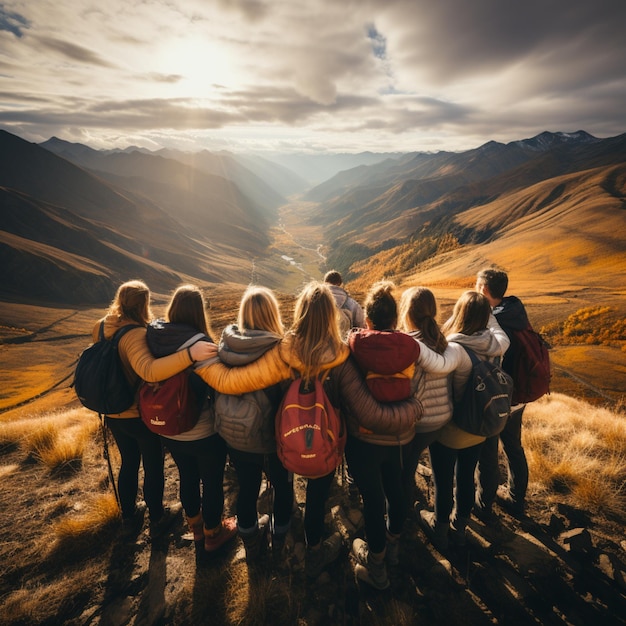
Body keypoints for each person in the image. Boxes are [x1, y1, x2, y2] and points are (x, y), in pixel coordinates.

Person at [194, 281, 421, 582]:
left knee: (277, 488)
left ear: (299, 312)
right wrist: (413, 409)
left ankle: (274, 545)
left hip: (288, 442)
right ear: (331, 316)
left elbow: (241, 381)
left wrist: (204, 365)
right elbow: (366, 410)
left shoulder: (283, 352)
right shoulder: (342, 358)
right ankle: (314, 549)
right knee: (316, 499)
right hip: (326, 443)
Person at [93, 280, 214, 538]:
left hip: (112, 412)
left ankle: (129, 515)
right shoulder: (135, 333)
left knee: (128, 462)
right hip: (136, 412)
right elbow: (149, 370)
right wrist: (190, 355)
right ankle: (157, 517)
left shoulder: (103, 326)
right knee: (152, 465)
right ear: (143, 303)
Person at [145, 284, 237, 556]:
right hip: (203, 430)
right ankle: (213, 533)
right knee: (211, 481)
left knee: (186, 476)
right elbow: (219, 385)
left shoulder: (155, 338)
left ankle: (194, 526)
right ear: (198, 312)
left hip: (169, 428)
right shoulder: (201, 344)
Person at [418, 291, 510, 550]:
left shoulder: (456, 350)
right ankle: (460, 525)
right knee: (467, 476)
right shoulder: (497, 344)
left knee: (443, 480)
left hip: (451, 429)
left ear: (460, 314)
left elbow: (431, 363)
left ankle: (440, 525)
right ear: (485, 317)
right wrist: (488, 314)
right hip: (479, 428)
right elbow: (498, 331)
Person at [345, 281, 421, 589]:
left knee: (372, 500)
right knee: (397, 488)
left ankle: (376, 567)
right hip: (399, 434)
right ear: (394, 320)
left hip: (364, 438)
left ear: (368, 320)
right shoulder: (411, 346)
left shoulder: (355, 343)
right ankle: (393, 543)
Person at [214, 286, 294, 562]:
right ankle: (279, 538)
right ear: (272, 314)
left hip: (235, 436)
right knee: (283, 489)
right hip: (272, 441)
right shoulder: (280, 351)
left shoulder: (225, 347)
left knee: (247, 489)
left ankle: (250, 543)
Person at [398, 286, 465, 510]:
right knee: (444, 476)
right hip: (442, 419)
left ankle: (404, 514)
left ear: (406, 312)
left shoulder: (406, 345)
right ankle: (442, 523)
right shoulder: (442, 340)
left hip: (418, 423)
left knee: (404, 473)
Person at [474, 268, 531, 518]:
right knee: (513, 446)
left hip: (497, 396)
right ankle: (517, 499)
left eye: (477, 285)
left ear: (484, 289)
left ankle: (484, 503)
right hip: (519, 395)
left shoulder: (492, 320)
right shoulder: (515, 310)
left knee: (487, 452)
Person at [324, 270, 365, 336]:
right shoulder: (353, 305)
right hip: (343, 344)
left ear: (325, 283)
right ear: (340, 284)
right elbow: (361, 330)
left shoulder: (315, 302)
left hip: (318, 345)